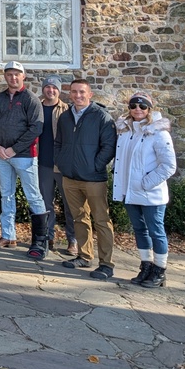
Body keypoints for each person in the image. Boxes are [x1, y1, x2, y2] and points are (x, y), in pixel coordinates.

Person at [112, 92, 177, 289]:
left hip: (150, 192)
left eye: (142, 106)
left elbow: (169, 165)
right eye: (133, 106)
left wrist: (146, 182)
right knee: (139, 230)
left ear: (150, 109)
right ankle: (146, 266)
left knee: (156, 231)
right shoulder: (125, 131)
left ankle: (159, 270)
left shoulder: (159, 133)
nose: (137, 109)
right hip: (130, 192)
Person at [56, 79, 118, 279]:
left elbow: (109, 146)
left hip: (93, 179)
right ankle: (84, 255)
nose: (78, 95)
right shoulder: (65, 117)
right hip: (70, 177)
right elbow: (58, 143)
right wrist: (63, 163)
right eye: (74, 92)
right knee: (79, 218)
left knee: (101, 220)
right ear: (70, 94)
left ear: (90, 94)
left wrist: (94, 167)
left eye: (82, 92)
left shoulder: (102, 117)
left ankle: (107, 264)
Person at [0, 61, 47, 252]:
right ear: (5, 76)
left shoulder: (30, 99)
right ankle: (8, 235)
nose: (13, 77)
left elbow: (36, 128)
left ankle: (40, 239)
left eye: (17, 74)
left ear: (23, 76)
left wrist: (14, 149)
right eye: (9, 74)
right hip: (1, 154)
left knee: (33, 196)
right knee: (7, 195)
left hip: (24, 156)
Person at [39, 76, 76, 255]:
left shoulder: (67, 110)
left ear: (59, 91)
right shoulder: (36, 107)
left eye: (54, 87)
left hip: (63, 165)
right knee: (46, 204)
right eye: (47, 87)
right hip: (42, 163)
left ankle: (73, 240)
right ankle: (48, 236)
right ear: (43, 89)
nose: (50, 90)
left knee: (70, 204)